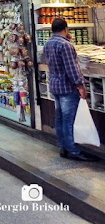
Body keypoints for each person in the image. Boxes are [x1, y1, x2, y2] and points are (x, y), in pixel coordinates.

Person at [43, 18, 97, 161]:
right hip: (67, 87)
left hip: (55, 85)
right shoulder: (65, 45)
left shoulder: (47, 44)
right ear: (66, 29)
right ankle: (73, 150)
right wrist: (80, 86)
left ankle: (63, 147)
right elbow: (72, 69)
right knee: (68, 121)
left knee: (60, 119)